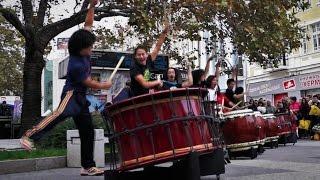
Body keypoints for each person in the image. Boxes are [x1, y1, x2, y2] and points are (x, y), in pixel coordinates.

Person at [20, 0, 109, 176]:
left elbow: (88, 24)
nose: (91, 48)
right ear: (79, 48)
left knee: (87, 131)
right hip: (72, 95)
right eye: (89, 47)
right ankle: (27, 136)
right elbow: (89, 83)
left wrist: (91, 5)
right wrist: (103, 85)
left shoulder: (83, 43)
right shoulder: (76, 64)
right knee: (58, 115)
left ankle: (87, 166)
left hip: (81, 98)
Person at [130, 23, 169, 96]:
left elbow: (157, 47)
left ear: (147, 55)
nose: (141, 57)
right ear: (135, 56)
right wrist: (158, 82)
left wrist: (164, 33)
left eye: (143, 54)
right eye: (139, 55)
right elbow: (145, 84)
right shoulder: (134, 68)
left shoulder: (149, 60)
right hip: (136, 98)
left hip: (147, 95)